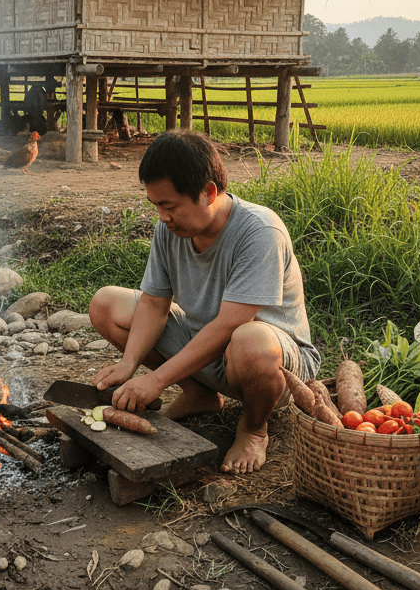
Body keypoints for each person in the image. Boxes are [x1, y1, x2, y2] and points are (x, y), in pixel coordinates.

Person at [90, 129, 321, 474]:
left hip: (269, 362)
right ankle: (199, 395)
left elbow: (231, 324)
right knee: (106, 304)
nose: (162, 217)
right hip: (208, 349)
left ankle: (254, 428)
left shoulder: (259, 230)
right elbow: (154, 304)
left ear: (208, 193)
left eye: (169, 206)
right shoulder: (169, 230)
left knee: (249, 339)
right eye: (155, 206)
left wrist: (156, 381)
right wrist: (129, 364)